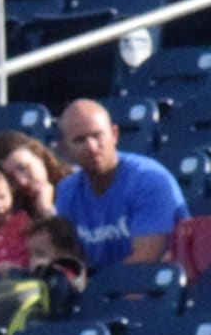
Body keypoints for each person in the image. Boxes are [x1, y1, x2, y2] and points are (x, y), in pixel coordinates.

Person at [53, 99, 189, 268]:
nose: (92, 147)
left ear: (114, 135)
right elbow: (62, 257)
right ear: (65, 148)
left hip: (154, 288)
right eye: (79, 140)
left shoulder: (148, 180)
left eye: (97, 135)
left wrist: (92, 287)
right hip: (100, 288)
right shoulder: (67, 191)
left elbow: (146, 261)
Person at [0, 129, 74, 219]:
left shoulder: (78, 188)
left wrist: (46, 209)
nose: (22, 181)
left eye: (22, 168)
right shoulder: (11, 215)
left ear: (39, 157)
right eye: (10, 178)